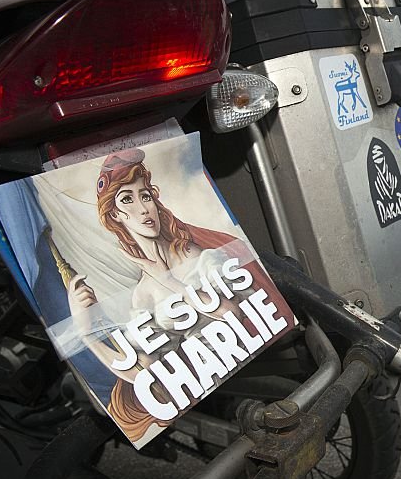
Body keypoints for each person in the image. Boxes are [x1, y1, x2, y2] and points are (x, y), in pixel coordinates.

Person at [67, 148, 270, 442]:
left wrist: (167, 278)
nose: (143, 208)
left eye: (145, 195)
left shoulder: (193, 252)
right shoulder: (143, 295)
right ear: (116, 215)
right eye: (127, 199)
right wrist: (85, 334)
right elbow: (145, 377)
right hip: (203, 380)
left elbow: (233, 315)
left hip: (249, 361)